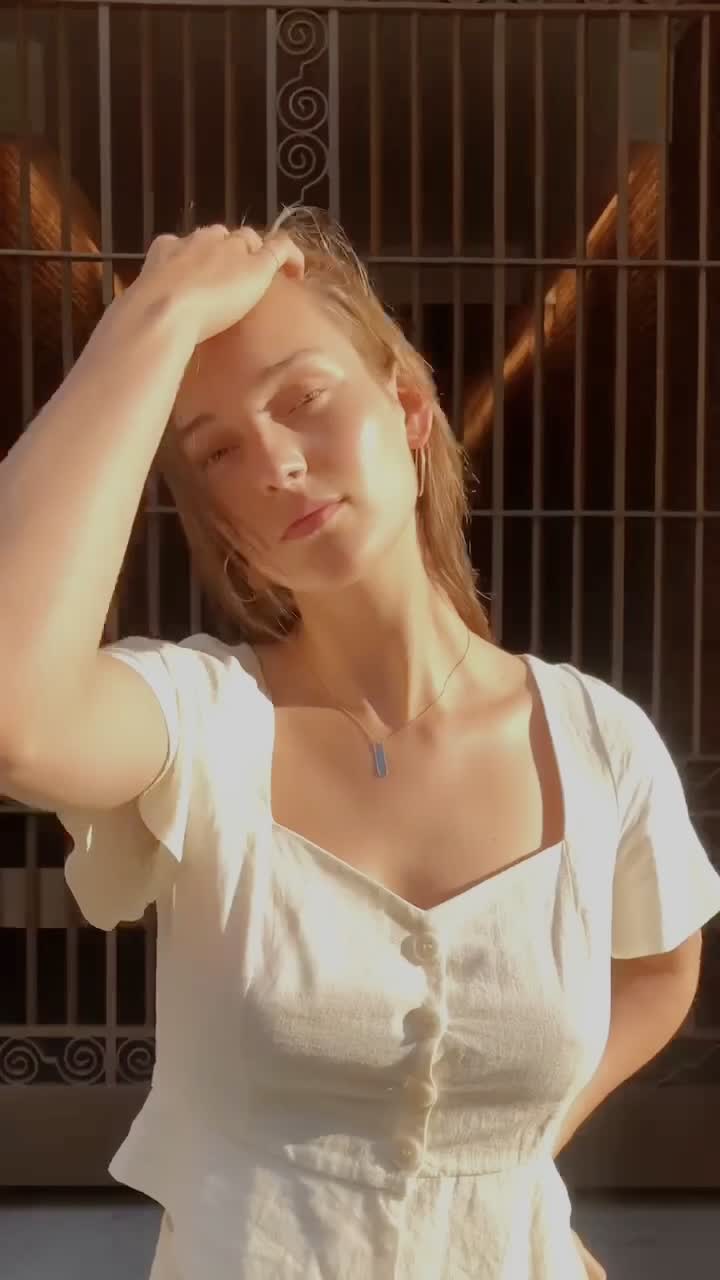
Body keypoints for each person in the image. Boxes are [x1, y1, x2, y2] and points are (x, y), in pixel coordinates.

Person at [1, 210, 718, 1280]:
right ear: (220, 521)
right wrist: (149, 319)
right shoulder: (202, 721)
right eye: (218, 451)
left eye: (303, 399)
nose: (276, 464)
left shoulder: (596, 740)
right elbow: (16, 715)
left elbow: (662, 965)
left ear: (411, 407)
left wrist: (514, 1157)